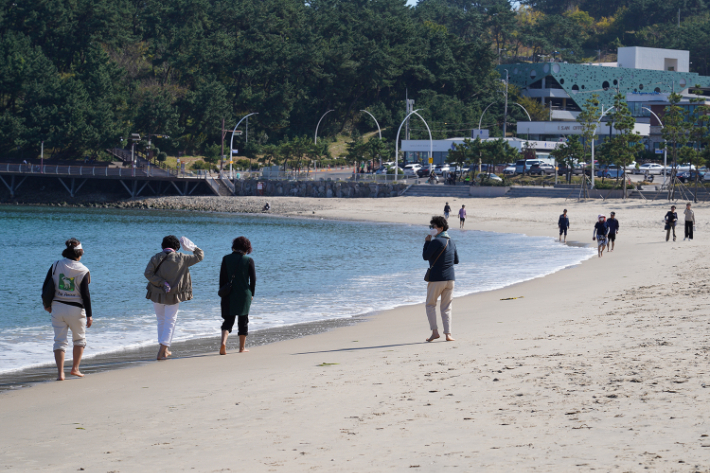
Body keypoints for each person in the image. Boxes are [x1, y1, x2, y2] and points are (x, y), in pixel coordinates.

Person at [144, 235, 204, 360]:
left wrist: (161, 282)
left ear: (163, 246)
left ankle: (165, 350)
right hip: (173, 295)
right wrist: (192, 246)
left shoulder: (156, 257)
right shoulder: (182, 258)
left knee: (161, 321)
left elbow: (147, 273)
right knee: (170, 321)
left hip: (156, 294)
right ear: (177, 247)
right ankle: (162, 350)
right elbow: (200, 256)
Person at [42, 238, 93, 381]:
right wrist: (89, 315)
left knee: (59, 341)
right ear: (80, 253)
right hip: (76, 310)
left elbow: (46, 286)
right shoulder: (83, 270)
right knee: (79, 340)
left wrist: (47, 304)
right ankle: (75, 369)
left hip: (57, 308)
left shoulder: (56, 265)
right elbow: (85, 295)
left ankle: (60, 374)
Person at [423, 216, 459, 343]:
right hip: (450, 278)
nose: (432, 229)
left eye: (433, 227)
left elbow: (425, 256)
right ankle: (448, 334)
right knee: (446, 307)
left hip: (437, 278)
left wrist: (427, 242)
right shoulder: (452, 242)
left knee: (430, 304)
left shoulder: (435, 242)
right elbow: (456, 260)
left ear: (441, 228)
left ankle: (435, 332)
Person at [219, 237, 256, 354]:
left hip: (228, 294)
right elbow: (253, 280)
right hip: (244, 295)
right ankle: (241, 348)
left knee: (228, 320)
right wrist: (252, 294)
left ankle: (223, 343)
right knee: (243, 321)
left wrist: (222, 293)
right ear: (247, 248)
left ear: (234, 246)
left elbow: (222, 278)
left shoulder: (226, 259)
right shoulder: (249, 260)